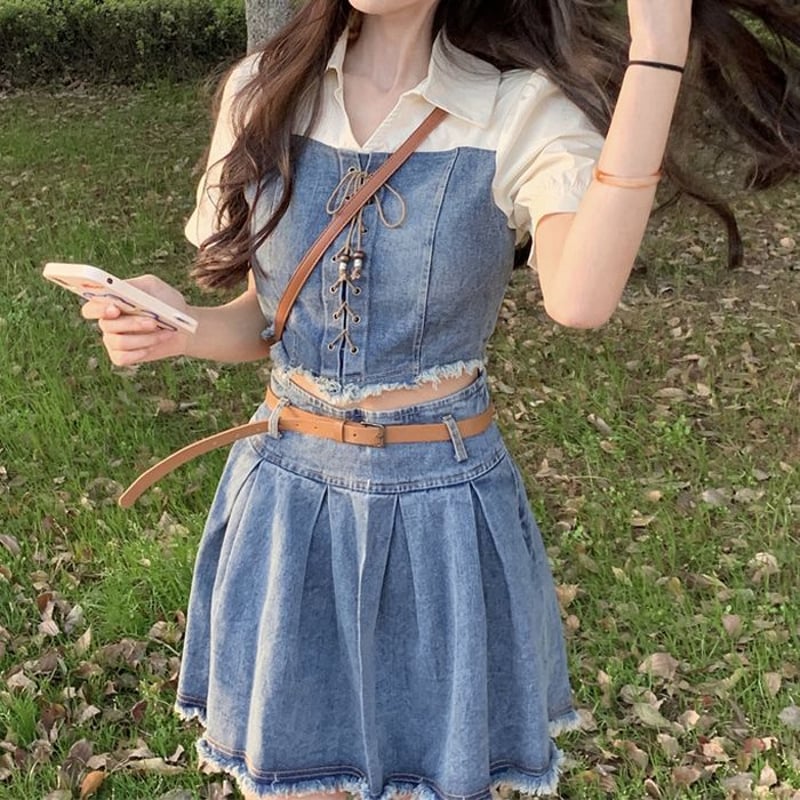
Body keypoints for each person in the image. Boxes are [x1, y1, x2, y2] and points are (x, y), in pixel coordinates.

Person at [80, 1, 799, 798]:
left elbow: (581, 298)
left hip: (441, 512)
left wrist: (658, 48)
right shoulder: (263, 91)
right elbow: (266, 322)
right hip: (285, 501)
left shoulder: (516, 108)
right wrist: (177, 328)